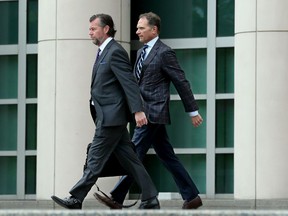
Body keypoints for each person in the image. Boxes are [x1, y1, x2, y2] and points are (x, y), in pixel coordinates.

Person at [95, 12, 203, 210]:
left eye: (141, 28)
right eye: (137, 28)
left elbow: (181, 81)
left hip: (153, 112)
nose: (137, 31)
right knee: (167, 156)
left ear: (154, 29)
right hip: (144, 112)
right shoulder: (142, 52)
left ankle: (117, 197)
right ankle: (192, 196)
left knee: (133, 154)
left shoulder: (164, 52)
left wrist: (192, 111)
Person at [51, 13, 160, 210]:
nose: (90, 32)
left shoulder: (115, 51)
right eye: (90, 29)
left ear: (106, 29)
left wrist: (138, 110)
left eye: (93, 28)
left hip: (112, 117)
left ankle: (76, 198)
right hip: (108, 116)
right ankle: (151, 197)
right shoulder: (104, 52)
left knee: (95, 157)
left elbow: (129, 83)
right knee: (131, 161)